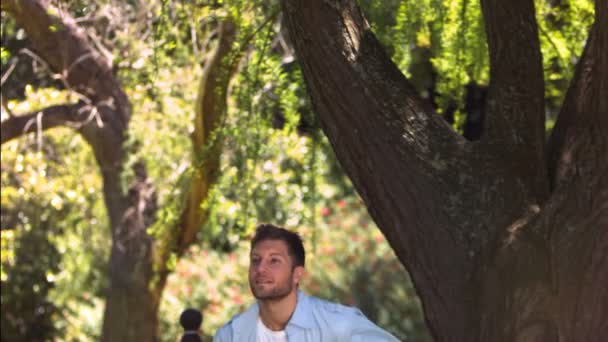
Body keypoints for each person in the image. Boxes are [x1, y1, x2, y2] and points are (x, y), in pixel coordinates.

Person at [213, 223, 399, 342]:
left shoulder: (340, 324)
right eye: (256, 260)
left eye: (274, 261)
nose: (261, 268)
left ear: (297, 274)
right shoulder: (230, 335)